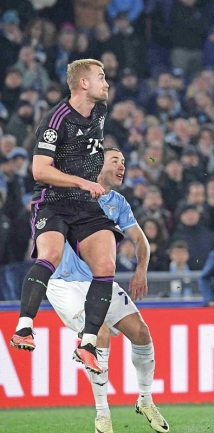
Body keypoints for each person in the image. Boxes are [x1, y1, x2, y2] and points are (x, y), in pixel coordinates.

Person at [10, 59, 121, 374]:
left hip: (85, 202)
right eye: (101, 77)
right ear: (83, 83)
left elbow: (88, 152)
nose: (106, 83)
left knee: (106, 266)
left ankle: (87, 345)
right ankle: (24, 327)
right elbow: (39, 170)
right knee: (51, 254)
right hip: (53, 200)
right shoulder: (56, 120)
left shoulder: (99, 110)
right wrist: (82, 182)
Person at [46, 148, 169, 433]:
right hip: (65, 283)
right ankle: (103, 414)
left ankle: (146, 400)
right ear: (97, 165)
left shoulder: (118, 202)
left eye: (124, 161)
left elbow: (140, 240)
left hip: (100, 282)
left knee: (141, 333)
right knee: (98, 333)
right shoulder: (71, 192)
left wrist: (141, 270)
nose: (122, 165)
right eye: (115, 160)